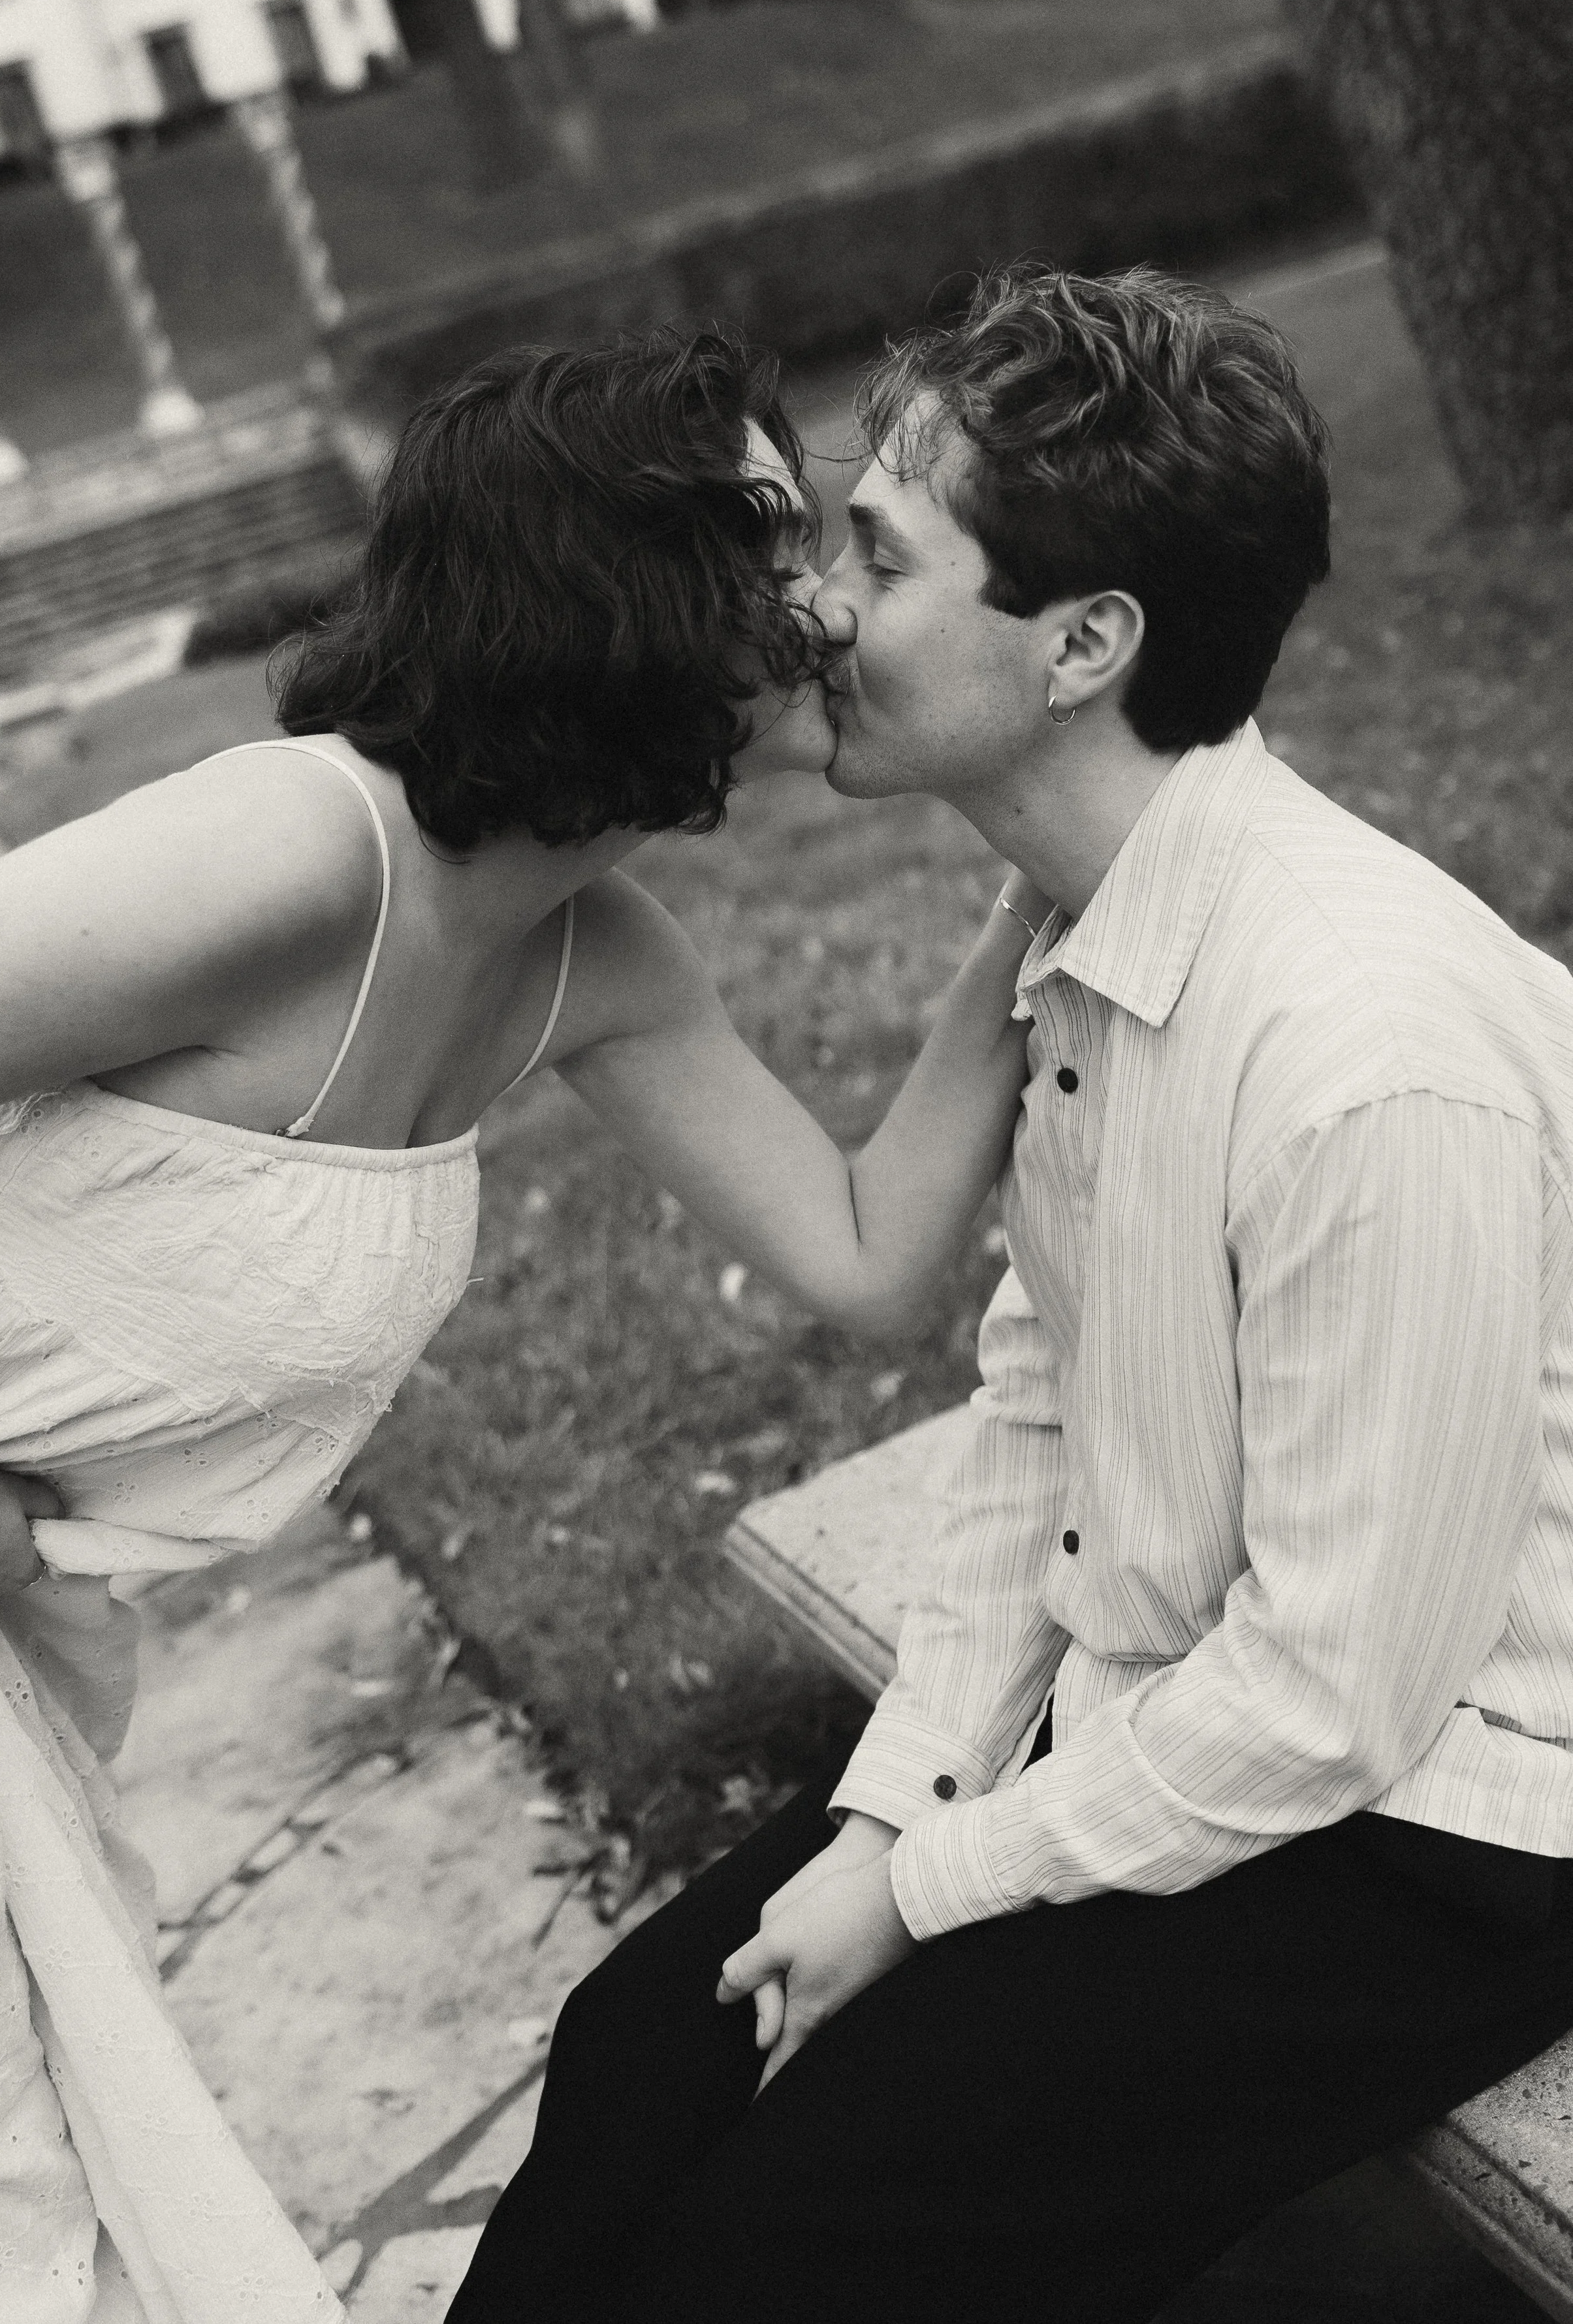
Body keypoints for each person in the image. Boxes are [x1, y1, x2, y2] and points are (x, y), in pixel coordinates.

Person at [453, 264, 1573, 2324]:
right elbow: (1034, 1431)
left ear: (1080, 643)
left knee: (792, 2251)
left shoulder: (1357, 1047)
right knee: (643, 2053)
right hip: (1181, 1694)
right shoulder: (1085, 925)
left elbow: (1343, 1695)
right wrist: (891, 1800)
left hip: (1449, 1813)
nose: (805, 607)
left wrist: (923, 1883)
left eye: (871, 552)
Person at [0, 331, 1042, 2324]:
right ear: (607, 585)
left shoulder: (591, 956)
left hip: (1, 1661)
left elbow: (871, 1259)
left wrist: (1054, 864)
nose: (820, 603)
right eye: (771, 533)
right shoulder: (286, 851)